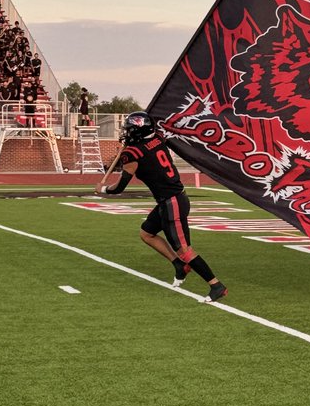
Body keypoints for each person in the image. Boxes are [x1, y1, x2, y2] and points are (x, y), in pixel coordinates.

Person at [95, 110, 227, 303]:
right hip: (172, 199)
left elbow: (119, 188)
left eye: (130, 129)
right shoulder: (157, 138)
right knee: (146, 233)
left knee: (185, 250)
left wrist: (103, 189)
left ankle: (216, 285)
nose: (126, 133)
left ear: (138, 131)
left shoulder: (131, 154)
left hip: (172, 201)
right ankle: (179, 266)